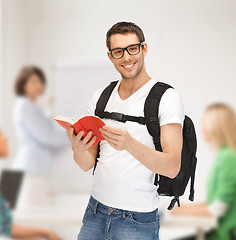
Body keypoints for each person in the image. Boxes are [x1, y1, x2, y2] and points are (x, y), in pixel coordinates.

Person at [66, 22, 185, 239]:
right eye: (118, 52)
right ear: (110, 56)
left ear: (144, 48)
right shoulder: (99, 97)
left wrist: (130, 144)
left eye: (133, 48)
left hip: (137, 220)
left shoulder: (166, 98)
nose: (127, 57)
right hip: (95, 211)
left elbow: (172, 167)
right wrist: (78, 148)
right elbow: (86, 164)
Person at [171, 103, 236, 240]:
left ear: (218, 127)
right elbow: (215, 201)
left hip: (225, 235)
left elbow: (217, 210)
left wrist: (181, 211)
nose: (202, 129)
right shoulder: (224, 155)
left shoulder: (228, 158)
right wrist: (183, 208)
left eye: (206, 123)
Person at [13, 66, 68, 207]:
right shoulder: (25, 106)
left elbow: (44, 128)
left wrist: (50, 109)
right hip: (30, 171)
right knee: (35, 220)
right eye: (33, 82)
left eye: (40, 82)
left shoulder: (31, 106)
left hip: (34, 170)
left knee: (37, 218)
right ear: (23, 84)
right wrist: (73, 134)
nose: (39, 85)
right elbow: (46, 136)